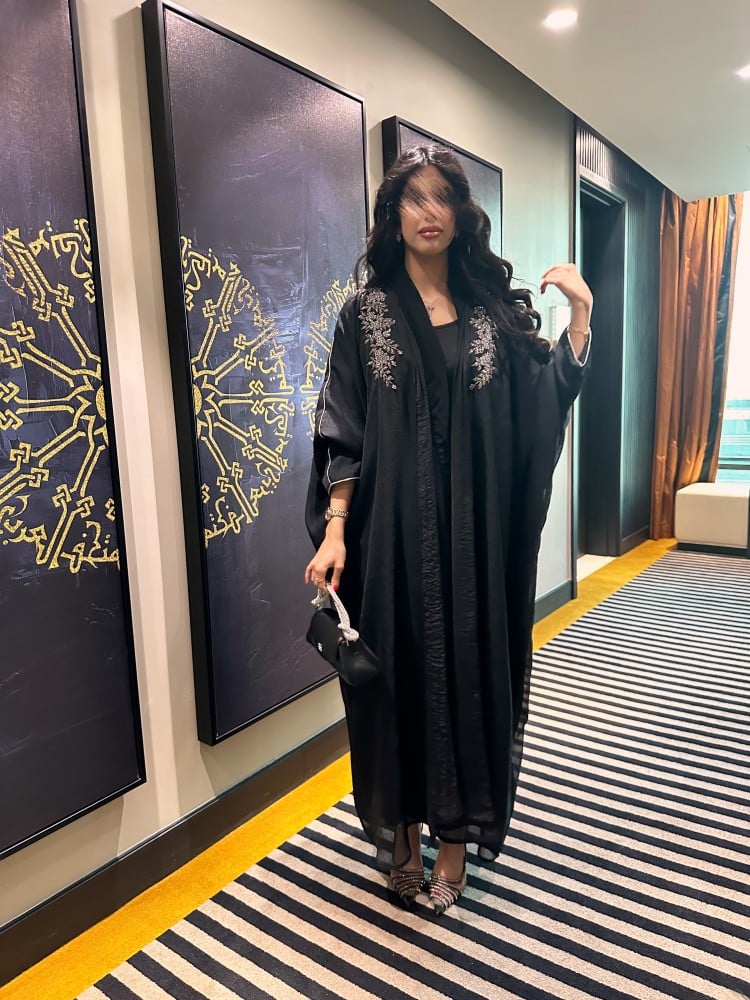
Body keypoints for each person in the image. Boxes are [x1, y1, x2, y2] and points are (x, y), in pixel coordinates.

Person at [304, 145, 592, 915]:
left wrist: (581, 318)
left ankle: (456, 841)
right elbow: (342, 430)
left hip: (473, 542)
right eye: (414, 198)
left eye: (443, 199)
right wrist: (335, 530)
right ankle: (401, 837)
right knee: (393, 681)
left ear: (462, 215)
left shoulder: (491, 314)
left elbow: (541, 401)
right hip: (388, 539)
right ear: (393, 215)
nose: (429, 213)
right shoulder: (364, 315)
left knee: (468, 674)